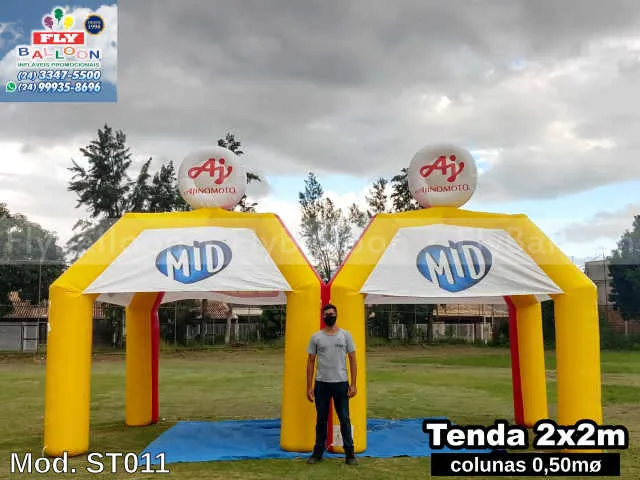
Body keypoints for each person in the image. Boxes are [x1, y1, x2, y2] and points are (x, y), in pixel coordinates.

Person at [306, 303, 358, 465]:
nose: (330, 316)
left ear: (336, 315)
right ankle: (318, 453)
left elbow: (353, 359)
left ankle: (350, 454)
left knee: (344, 419)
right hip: (321, 384)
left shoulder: (345, 335)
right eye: (327, 314)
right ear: (323, 317)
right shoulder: (316, 337)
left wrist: (353, 384)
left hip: (341, 383)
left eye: (332, 314)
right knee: (321, 420)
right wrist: (309, 387)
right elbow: (310, 362)